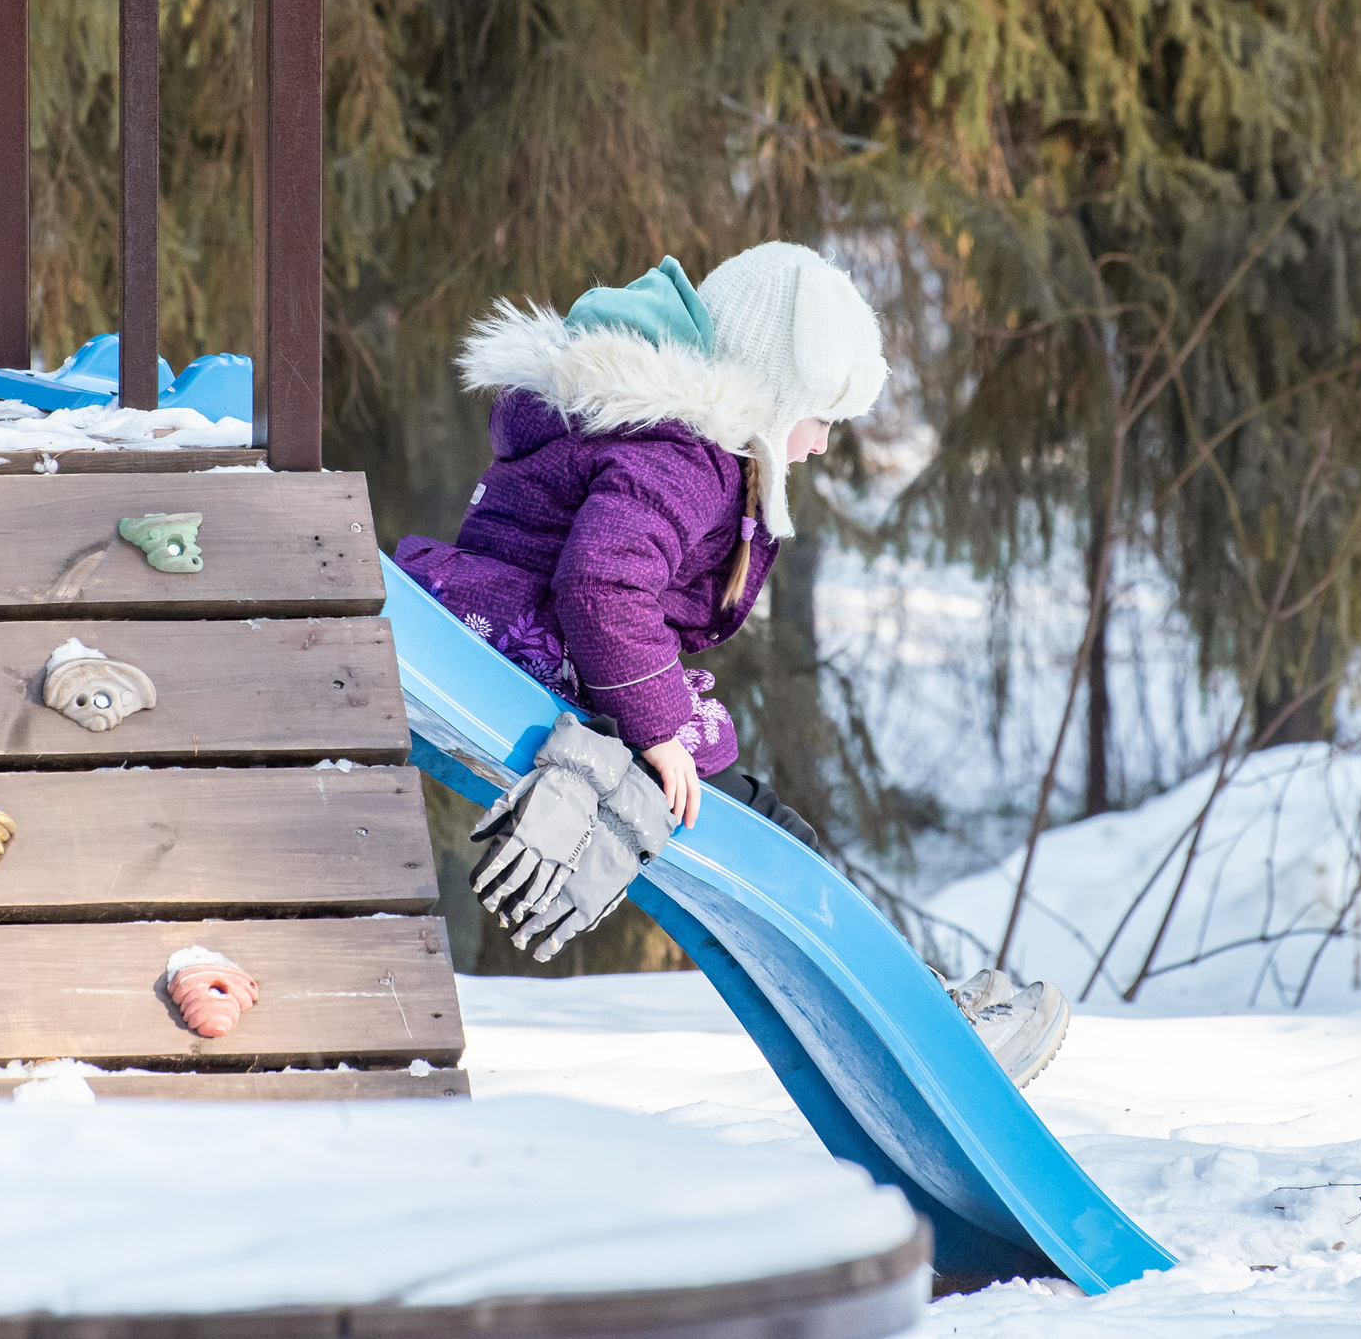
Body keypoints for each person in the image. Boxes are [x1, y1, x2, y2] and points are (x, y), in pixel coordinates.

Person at [398, 242, 1070, 1086]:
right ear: (777, 391)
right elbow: (602, 583)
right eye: (822, 414)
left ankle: (919, 1007)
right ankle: (933, 1027)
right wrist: (659, 730)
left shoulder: (666, 445)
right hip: (554, 665)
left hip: (538, 654)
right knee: (770, 840)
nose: (823, 443)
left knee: (767, 832)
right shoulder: (686, 458)